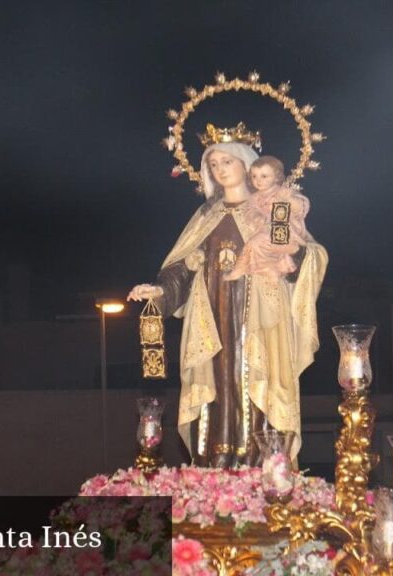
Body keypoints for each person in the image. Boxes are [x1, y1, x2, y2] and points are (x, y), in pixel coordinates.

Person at [128, 130, 327, 468]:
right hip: (215, 312)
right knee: (219, 379)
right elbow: (184, 266)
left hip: (261, 314)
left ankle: (261, 455)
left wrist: (296, 254)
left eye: (227, 161)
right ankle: (217, 452)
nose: (220, 169)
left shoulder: (271, 207)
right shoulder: (207, 216)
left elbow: (308, 252)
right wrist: (160, 290)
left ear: (248, 164)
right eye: (213, 164)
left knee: (253, 375)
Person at [223, 155, 312, 281]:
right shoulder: (254, 198)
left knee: (253, 244)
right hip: (265, 229)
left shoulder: (283, 192)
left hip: (284, 231)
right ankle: (269, 269)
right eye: (254, 176)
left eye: (264, 176)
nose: (258, 181)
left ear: (276, 177)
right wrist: (260, 218)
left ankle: (239, 269)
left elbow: (301, 208)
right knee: (259, 245)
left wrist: (289, 200)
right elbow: (250, 212)